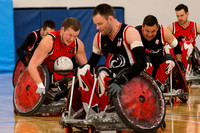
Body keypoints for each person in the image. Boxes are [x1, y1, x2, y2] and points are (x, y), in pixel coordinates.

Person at [77, 3, 146, 113]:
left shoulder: (129, 32)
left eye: (100, 24)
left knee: (101, 72)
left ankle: (106, 108)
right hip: (111, 77)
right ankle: (92, 110)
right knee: (83, 70)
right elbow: (91, 65)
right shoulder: (98, 37)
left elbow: (142, 63)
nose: (97, 28)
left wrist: (122, 79)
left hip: (130, 77)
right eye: (96, 24)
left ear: (110, 19)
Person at [28, 17, 87, 97]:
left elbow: (86, 68)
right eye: (70, 35)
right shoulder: (48, 42)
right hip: (46, 74)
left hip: (65, 74)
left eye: (75, 36)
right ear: (62, 29)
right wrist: (40, 85)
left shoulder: (78, 44)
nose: (72, 39)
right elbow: (32, 65)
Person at [135, 15, 183, 90]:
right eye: (147, 31)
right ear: (142, 27)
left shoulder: (163, 32)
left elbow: (176, 46)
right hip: (144, 62)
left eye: (153, 31)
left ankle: (157, 86)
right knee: (146, 63)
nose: (150, 34)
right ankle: (146, 87)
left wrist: (179, 62)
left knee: (170, 62)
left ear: (157, 28)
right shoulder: (135, 33)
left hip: (159, 60)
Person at [167, 4, 200, 75]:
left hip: (189, 59)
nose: (180, 18)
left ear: (187, 14)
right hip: (177, 58)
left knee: (188, 46)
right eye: (178, 16)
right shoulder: (172, 27)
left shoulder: (195, 26)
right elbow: (162, 37)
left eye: (182, 15)